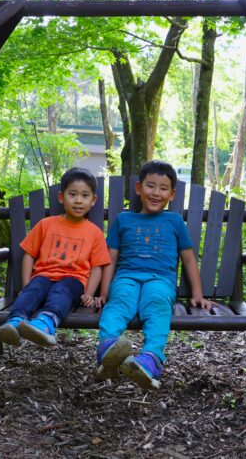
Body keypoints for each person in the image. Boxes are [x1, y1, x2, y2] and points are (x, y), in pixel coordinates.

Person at [94, 160, 212, 389]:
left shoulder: (175, 221)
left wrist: (197, 292)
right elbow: (111, 258)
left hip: (160, 280)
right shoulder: (124, 220)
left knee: (157, 304)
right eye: (150, 186)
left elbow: (188, 258)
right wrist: (104, 291)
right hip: (127, 277)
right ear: (138, 188)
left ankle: (151, 359)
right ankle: (108, 348)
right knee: (118, 303)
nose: (156, 193)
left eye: (163, 188)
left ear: (172, 194)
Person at [0, 167, 110, 347]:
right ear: (61, 197)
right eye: (72, 194)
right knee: (33, 289)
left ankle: (46, 324)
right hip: (43, 275)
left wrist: (89, 292)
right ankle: (14, 323)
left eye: (85, 196)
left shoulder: (94, 233)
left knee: (61, 291)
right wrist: (26, 284)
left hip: (74, 280)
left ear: (93, 200)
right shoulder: (46, 225)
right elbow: (29, 254)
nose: (78, 200)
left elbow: (97, 266)